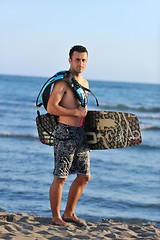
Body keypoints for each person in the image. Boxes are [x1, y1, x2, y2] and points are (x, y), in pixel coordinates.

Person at [47, 45, 90, 226]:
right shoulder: (63, 83)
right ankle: (56, 217)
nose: (80, 63)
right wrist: (75, 114)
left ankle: (69, 213)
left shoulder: (85, 83)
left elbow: (82, 110)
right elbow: (51, 107)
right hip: (65, 132)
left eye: (83, 60)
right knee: (61, 176)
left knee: (84, 176)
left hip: (81, 134)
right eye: (77, 59)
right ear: (70, 60)